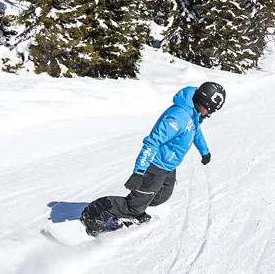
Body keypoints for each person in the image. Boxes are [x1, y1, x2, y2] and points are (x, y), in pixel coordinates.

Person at [80, 82, 226, 236]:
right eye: (209, 110)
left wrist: (204, 151)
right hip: (154, 166)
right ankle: (94, 212)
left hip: (168, 167)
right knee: (134, 206)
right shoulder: (177, 118)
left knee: (162, 196)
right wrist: (139, 172)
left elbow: (195, 132)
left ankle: (139, 203)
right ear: (202, 102)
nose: (208, 115)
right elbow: (152, 141)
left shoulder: (193, 115)